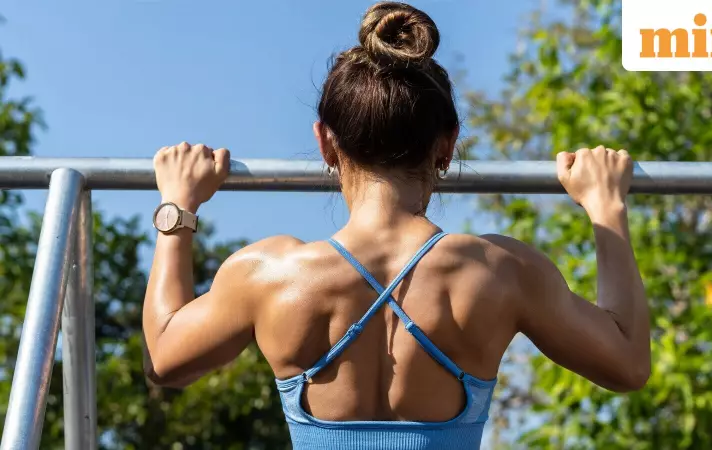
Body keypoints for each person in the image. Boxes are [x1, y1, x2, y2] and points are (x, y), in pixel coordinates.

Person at [142, 2, 650, 449]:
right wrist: (606, 209)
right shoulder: (502, 271)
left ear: (325, 143)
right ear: (447, 145)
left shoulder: (269, 274)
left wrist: (178, 209)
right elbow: (627, 364)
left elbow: (165, 359)